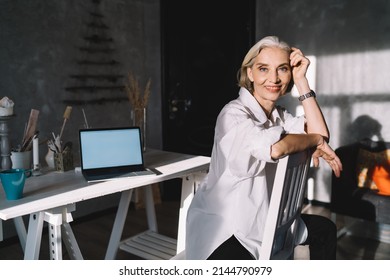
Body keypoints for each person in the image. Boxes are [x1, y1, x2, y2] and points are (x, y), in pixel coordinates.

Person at [185, 36, 343, 260]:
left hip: (268, 222)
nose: (274, 78)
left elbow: (321, 133)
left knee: (325, 230)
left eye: (283, 69)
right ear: (250, 73)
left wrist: (302, 81)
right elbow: (275, 148)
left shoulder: (279, 116)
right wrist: (314, 141)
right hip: (227, 229)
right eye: (263, 69)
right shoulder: (233, 114)